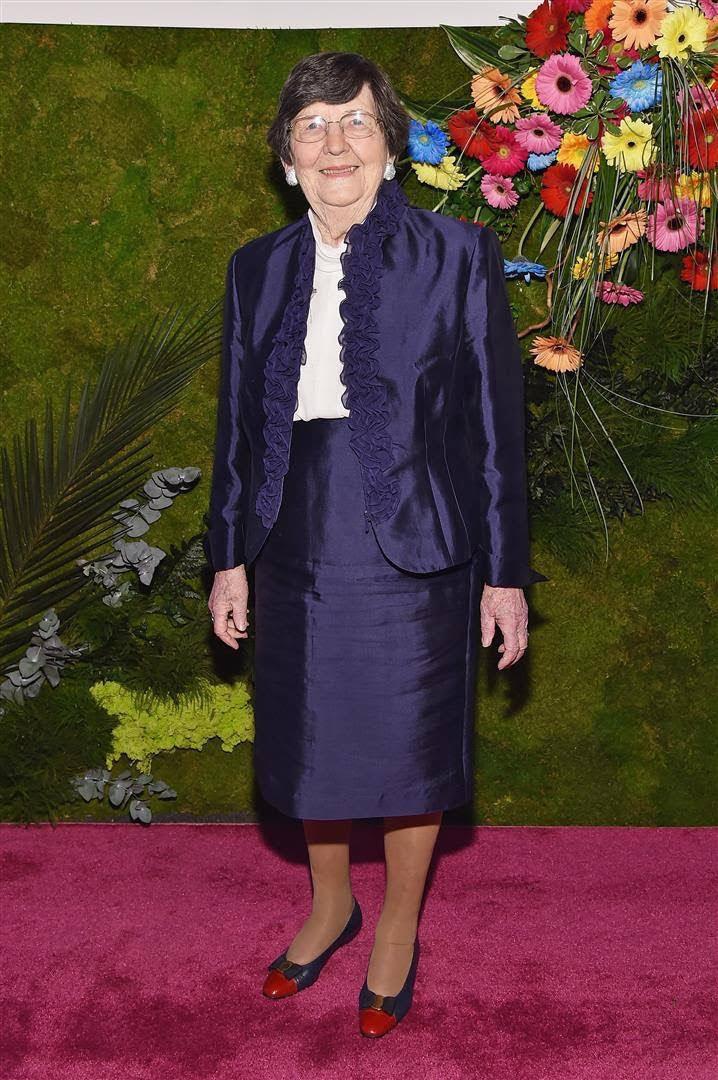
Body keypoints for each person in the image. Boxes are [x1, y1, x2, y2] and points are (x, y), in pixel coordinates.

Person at [205, 51, 548, 1038]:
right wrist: (227, 556)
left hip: (415, 542)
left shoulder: (458, 254)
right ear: (286, 158)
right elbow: (236, 430)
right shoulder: (255, 267)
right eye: (311, 127)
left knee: (407, 749)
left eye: (354, 121)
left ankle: (396, 924)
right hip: (291, 537)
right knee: (311, 742)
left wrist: (504, 576)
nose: (334, 144)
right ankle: (330, 906)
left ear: (390, 146)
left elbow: (495, 430)